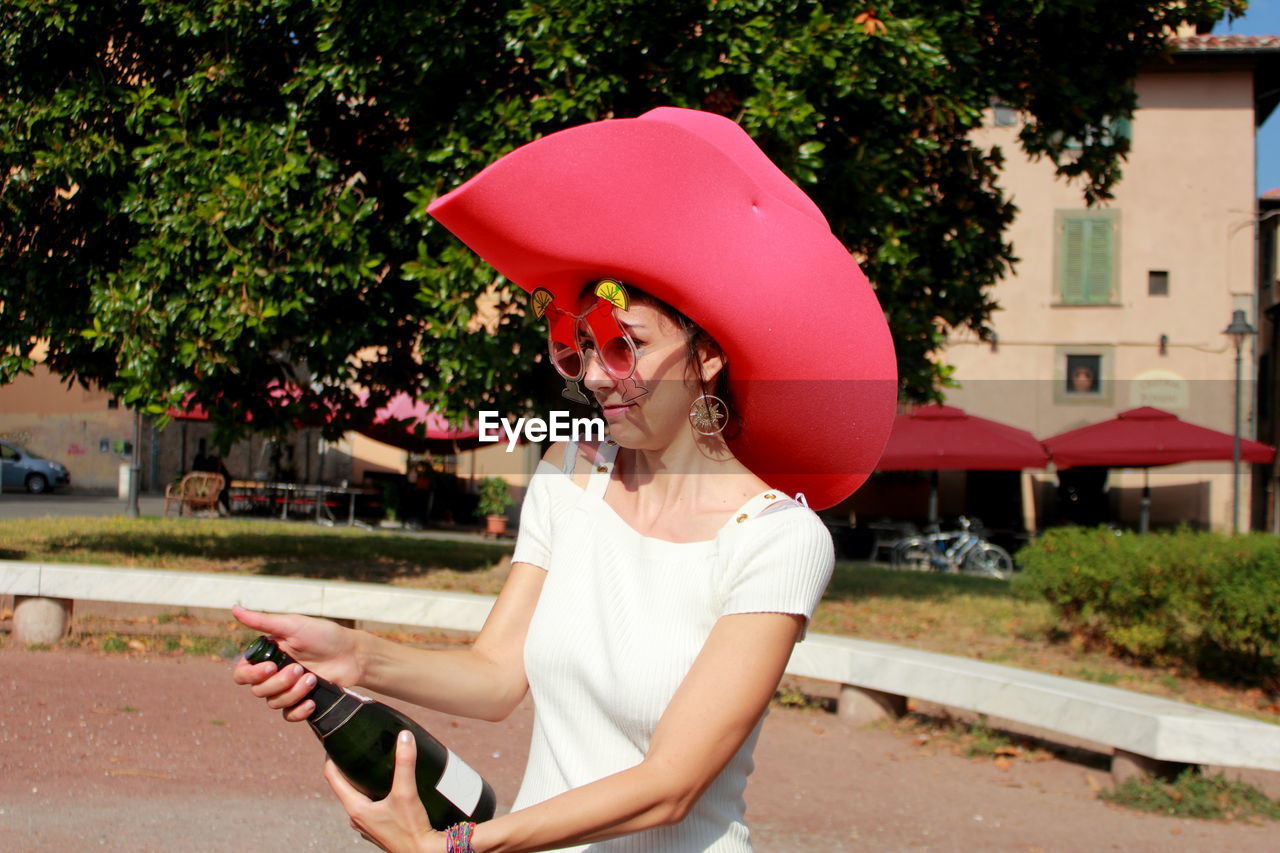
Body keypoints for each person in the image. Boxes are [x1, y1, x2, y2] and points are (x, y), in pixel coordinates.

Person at [232, 107, 896, 852]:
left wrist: (459, 847)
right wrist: (357, 655)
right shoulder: (568, 475)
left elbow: (671, 783)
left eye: (625, 346)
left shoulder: (780, 539)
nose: (594, 379)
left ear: (707, 353)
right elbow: (496, 675)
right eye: (578, 350)